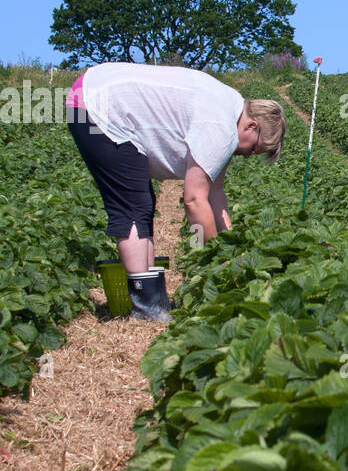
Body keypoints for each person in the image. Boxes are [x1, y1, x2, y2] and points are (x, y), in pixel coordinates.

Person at [65, 62, 286, 321]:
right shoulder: (221, 126)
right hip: (97, 107)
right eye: (254, 149)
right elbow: (194, 201)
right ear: (252, 126)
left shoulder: (229, 108)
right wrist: (215, 261)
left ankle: (154, 300)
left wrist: (230, 250)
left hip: (96, 97)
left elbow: (215, 197)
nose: (248, 156)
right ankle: (147, 309)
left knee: (142, 204)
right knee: (133, 208)